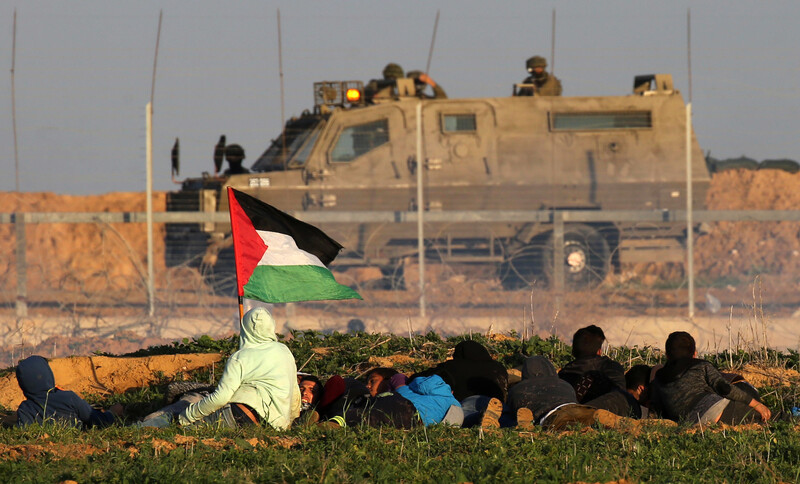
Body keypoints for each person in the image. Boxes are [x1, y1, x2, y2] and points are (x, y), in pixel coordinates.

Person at [138, 307, 301, 430]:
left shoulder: (240, 357)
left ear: (244, 329)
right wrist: (289, 422)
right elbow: (294, 394)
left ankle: (135, 429)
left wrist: (186, 416)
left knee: (174, 426)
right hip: (271, 424)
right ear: (271, 327)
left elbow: (221, 397)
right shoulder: (284, 351)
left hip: (239, 414)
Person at [650, 331, 772, 425]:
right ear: (695, 354)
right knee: (770, 416)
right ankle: (790, 416)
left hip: (686, 422)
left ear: (667, 355)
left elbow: (655, 408)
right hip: (712, 411)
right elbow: (725, 389)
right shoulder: (701, 366)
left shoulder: (658, 378)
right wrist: (757, 404)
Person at [507, 355, 633, 431]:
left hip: (556, 417)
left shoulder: (519, 390)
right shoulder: (563, 384)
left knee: (571, 429)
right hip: (578, 408)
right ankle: (628, 424)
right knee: (592, 419)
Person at [413, 340, 508, 427]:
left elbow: (426, 377)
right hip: (497, 403)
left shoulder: (452, 366)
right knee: (505, 417)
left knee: (463, 416)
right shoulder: (499, 367)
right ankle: (513, 423)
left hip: (470, 401)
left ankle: (481, 417)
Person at [15, 355, 123, 428]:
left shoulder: (25, 409)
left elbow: (25, 430)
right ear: (47, 375)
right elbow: (98, 421)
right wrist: (112, 413)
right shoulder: (68, 398)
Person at [558, 325, 633, 417]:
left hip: (567, 412)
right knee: (626, 398)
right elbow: (618, 393)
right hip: (593, 414)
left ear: (573, 352)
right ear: (599, 352)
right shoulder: (610, 367)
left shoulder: (563, 373)